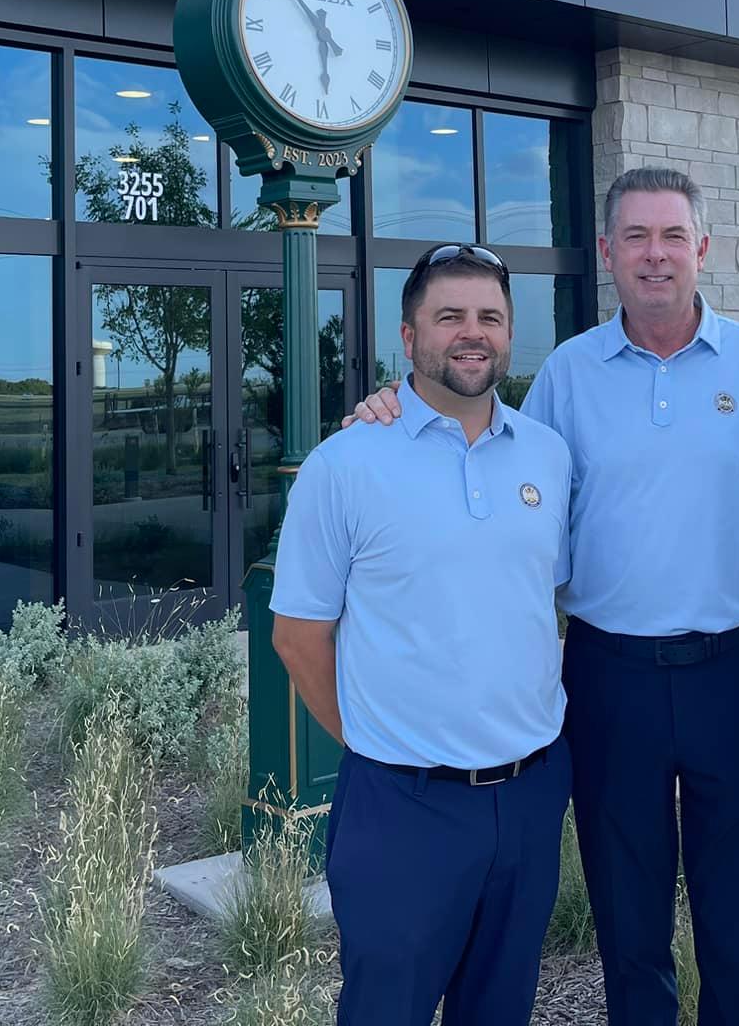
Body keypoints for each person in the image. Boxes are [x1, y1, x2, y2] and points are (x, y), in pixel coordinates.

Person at [346, 167, 739, 1026]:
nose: (656, 255)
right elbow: (488, 450)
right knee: (629, 923)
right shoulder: (568, 375)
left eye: (673, 236)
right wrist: (394, 407)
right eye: (636, 237)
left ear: (702, 248)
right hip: (610, 678)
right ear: (607, 252)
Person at [270, 243, 574, 1026]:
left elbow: (547, 599)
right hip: (402, 808)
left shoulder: (548, 457)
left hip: (531, 795)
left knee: (500, 1009)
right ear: (409, 337)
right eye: (450, 317)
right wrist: (376, 744)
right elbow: (297, 637)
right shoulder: (345, 464)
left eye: (490, 317)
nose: (473, 333)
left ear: (509, 334)